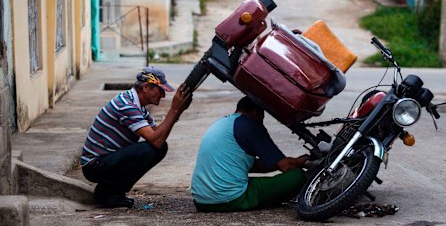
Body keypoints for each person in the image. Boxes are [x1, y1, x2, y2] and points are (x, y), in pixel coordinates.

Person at [80, 67, 194, 208]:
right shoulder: (127, 105)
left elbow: (158, 134)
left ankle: (112, 190)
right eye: (161, 90)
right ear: (146, 87)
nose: (163, 96)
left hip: (105, 160)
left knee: (159, 148)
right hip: (94, 165)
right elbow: (155, 140)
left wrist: (177, 112)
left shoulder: (137, 105)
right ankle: (109, 193)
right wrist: (173, 110)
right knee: (148, 150)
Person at [191, 96, 308, 212]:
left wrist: (279, 162)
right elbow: (286, 166)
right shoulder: (251, 125)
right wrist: (300, 162)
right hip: (231, 199)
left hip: (201, 201)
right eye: (262, 118)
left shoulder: (222, 123)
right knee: (297, 176)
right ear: (257, 112)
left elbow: (250, 165)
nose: (262, 123)